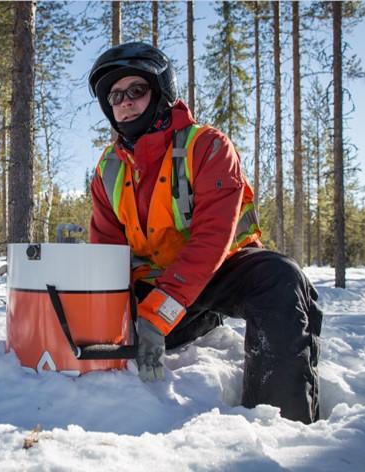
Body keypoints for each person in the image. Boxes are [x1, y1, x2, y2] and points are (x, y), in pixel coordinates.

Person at [88, 42, 322, 424]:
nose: (125, 101)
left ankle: (282, 425)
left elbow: (212, 238)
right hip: (157, 284)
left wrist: (157, 315)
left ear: (161, 92)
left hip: (222, 273)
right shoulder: (108, 169)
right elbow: (106, 253)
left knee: (282, 278)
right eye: (115, 95)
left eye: (136, 90)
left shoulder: (208, 146)